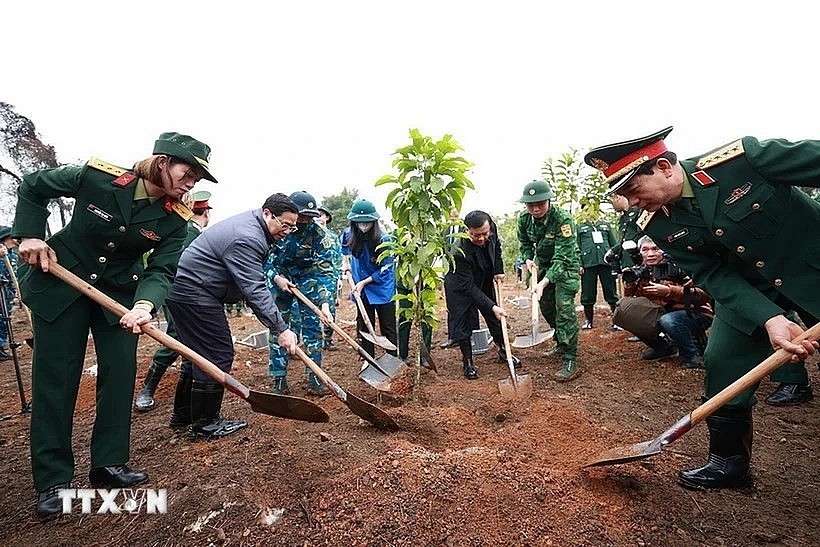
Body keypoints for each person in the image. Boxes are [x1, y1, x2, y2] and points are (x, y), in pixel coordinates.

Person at [584, 126, 819, 490]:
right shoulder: (658, 223)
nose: (631, 203)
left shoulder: (743, 161)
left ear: (663, 167)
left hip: (813, 268)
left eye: (632, 190)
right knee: (723, 361)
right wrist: (770, 318)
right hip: (750, 293)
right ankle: (728, 462)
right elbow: (712, 273)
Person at [13, 132, 217, 517]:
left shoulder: (176, 219)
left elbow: (162, 268)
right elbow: (33, 186)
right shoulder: (96, 178)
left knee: (121, 372)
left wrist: (144, 305)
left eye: (198, 178)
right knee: (57, 378)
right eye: (188, 172)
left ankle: (108, 463)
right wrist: (30, 236)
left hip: (120, 297)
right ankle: (53, 479)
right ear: (162, 163)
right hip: (61, 285)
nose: (192, 183)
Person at [166, 193, 300, 439]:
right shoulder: (247, 237)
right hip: (195, 293)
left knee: (196, 355)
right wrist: (281, 329)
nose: (288, 231)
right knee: (218, 353)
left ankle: (184, 414)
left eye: (293, 227)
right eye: (285, 224)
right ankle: (205, 424)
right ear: (268, 213)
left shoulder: (253, 227)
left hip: (188, 291)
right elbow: (255, 288)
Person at [134, 191, 213, 412]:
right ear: (205, 212)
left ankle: (189, 395)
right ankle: (147, 388)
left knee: (191, 339)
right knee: (177, 336)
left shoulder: (197, 233)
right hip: (177, 293)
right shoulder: (187, 232)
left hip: (193, 296)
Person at [265, 191, 335, 396]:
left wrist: (324, 304)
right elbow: (265, 261)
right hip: (280, 280)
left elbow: (325, 271)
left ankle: (315, 379)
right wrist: (276, 277)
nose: (304, 221)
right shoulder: (277, 230)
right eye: (301, 216)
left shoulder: (319, 235)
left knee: (313, 330)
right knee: (279, 329)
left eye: (308, 217)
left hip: (308, 280)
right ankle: (279, 378)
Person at [517, 180, 582, 381]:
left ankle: (571, 357)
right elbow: (525, 243)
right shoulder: (524, 219)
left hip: (566, 267)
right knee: (546, 307)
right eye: (531, 205)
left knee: (564, 309)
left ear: (549, 201)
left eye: (540, 204)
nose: (535, 209)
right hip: (543, 266)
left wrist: (544, 283)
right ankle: (560, 341)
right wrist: (528, 258)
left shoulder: (563, 219)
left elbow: (562, 258)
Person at [444, 210, 520, 379]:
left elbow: (497, 247)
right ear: (466, 231)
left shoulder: (491, 230)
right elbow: (469, 287)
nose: (481, 238)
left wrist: (498, 270)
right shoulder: (459, 251)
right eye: (475, 235)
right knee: (463, 321)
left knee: (494, 317)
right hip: (460, 285)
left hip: (483, 276)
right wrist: (492, 306)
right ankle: (468, 362)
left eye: (484, 234)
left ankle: (503, 350)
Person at [618, 235, 713, 369]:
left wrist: (669, 291)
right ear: (639, 253)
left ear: (663, 250)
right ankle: (663, 348)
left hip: (697, 313)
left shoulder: (679, 266)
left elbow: (703, 297)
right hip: (664, 315)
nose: (650, 254)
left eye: (655, 249)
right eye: (645, 250)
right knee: (628, 314)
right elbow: (629, 300)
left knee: (669, 320)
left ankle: (692, 356)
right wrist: (630, 283)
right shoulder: (640, 271)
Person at [341, 199, 398, 359]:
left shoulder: (384, 239)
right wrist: (345, 264)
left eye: (367, 222)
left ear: (374, 221)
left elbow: (387, 268)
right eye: (360, 222)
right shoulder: (348, 234)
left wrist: (364, 282)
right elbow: (345, 249)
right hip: (361, 286)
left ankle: (391, 358)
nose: (363, 226)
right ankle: (368, 359)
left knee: (388, 325)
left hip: (382, 286)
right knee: (365, 324)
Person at [576, 209, 619, 329]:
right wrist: (579, 264)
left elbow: (614, 244)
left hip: (606, 262)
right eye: (586, 208)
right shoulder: (580, 227)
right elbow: (577, 246)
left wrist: (615, 261)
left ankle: (617, 321)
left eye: (593, 208)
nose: (590, 211)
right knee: (588, 293)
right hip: (588, 263)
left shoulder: (605, 225)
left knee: (611, 291)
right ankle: (589, 321)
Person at [316, 205, 342, 351]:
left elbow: (337, 259)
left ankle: (328, 339)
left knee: (330, 309)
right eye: (316, 215)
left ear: (326, 217)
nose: (318, 218)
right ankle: (313, 341)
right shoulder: (311, 236)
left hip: (330, 278)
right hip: (313, 278)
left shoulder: (333, 237)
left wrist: (338, 278)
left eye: (321, 215)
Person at [0, 226, 19, 360]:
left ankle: (2, 346)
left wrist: (16, 291)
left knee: (6, 319)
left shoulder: (13, 255)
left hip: (8, 292)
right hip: (0, 289)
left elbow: (15, 274)